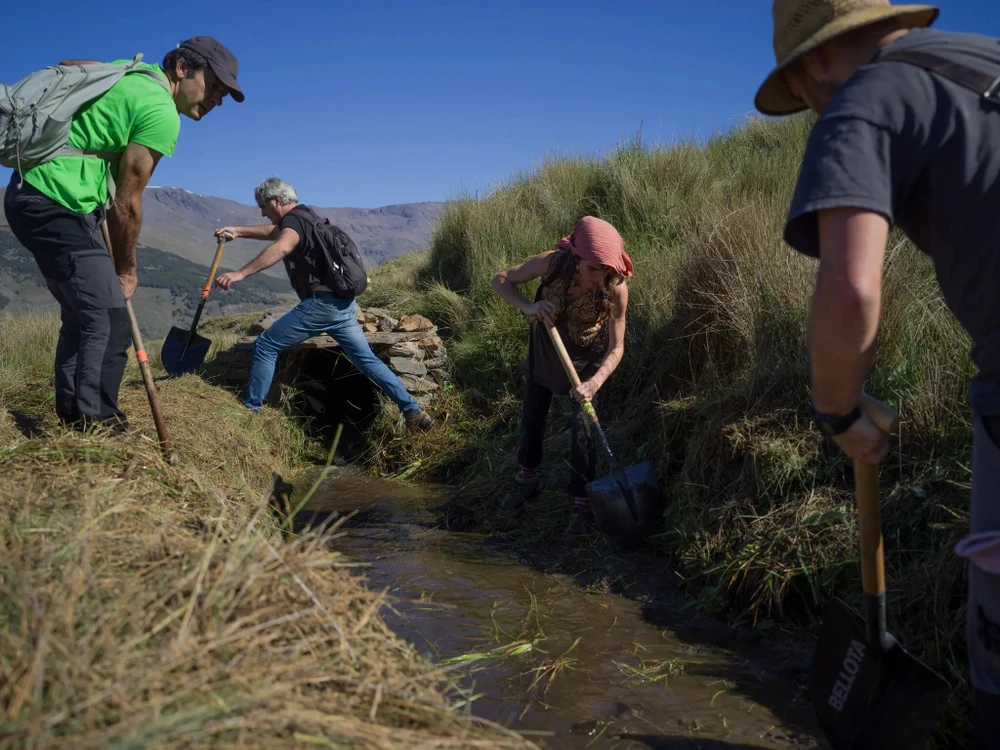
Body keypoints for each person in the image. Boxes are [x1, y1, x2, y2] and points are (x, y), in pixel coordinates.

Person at [755, 0, 1000, 743]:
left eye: (801, 94)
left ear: (813, 61)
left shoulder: (863, 98)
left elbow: (851, 292)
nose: (810, 108)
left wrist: (839, 413)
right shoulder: (984, 60)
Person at [3, 36, 244, 434]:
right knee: (110, 319)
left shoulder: (129, 73)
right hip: (58, 202)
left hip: (29, 194)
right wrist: (127, 270)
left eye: (224, 93)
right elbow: (127, 204)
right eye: (214, 85)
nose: (217, 98)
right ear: (182, 68)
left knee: (83, 317)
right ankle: (97, 423)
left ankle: (73, 417)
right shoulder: (161, 111)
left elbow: (70, 61)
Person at [213, 177, 436, 433]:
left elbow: (282, 246)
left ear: (276, 201)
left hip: (322, 306)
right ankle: (413, 411)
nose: (262, 212)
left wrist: (239, 274)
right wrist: (238, 231)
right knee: (368, 361)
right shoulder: (306, 216)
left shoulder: (292, 223)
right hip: (344, 305)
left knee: (266, 345)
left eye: (263, 206)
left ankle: (250, 411)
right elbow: (275, 233)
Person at [491, 215, 631, 536]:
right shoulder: (552, 263)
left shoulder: (616, 289)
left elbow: (617, 347)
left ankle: (580, 503)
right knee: (532, 416)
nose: (598, 277)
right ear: (576, 257)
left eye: (605, 270)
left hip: (590, 359)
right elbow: (499, 280)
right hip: (547, 349)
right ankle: (527, 479)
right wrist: (528, 307)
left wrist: (594, 383)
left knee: (584, 429)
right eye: (592, 268)